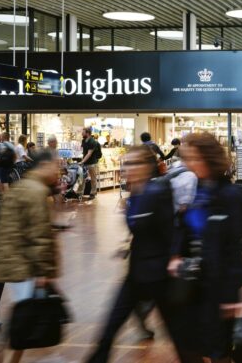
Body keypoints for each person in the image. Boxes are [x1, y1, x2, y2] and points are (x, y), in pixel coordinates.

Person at [86, 146, 189, 362]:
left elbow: (173, 228)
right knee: (109, 329)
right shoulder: (134, 195)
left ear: (146, 167)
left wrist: (174, 257)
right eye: (126, 163)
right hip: (137, 273)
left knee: (179, 335)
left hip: (160, 276)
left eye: (133, 163)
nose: (126, 168)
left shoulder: (157, 191)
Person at [168, 132, 242, 361]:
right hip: (196, 283)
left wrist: (230, 295)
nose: (190, 164)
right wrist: (176, 254)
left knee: (218, 348)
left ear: (209, 158)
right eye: (188, 158)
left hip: (219, 284)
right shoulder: (199, 190)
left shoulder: (229, 195)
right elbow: (185, 227)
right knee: (197, 344)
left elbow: (234, 247)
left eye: (195, 158)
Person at [0, 150, 61, 363]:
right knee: (24, 324)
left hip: (15, 263)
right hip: (27, 266)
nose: (58, 171)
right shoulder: (36, 191)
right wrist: (44, 270)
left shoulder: (19, 188)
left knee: (24, 319)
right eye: (56, 166)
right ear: (46, 165)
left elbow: (4, 228)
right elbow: (39, 234)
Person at [79, 127, 102, 200]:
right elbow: (83, 151)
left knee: (93, 178)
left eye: (83, 132)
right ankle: (80, 193)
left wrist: (82, 161)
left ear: (87, 133)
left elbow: (89, 154)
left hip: (92, 163)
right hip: (85, 162)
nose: (82, 133)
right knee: (82, 178)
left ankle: (93, 193)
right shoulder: (83, 140)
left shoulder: (92, 142)